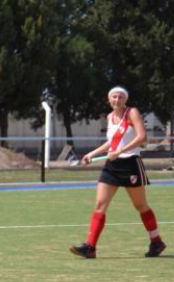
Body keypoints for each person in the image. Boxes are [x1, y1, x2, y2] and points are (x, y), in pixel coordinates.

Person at [70, 86, 166, 259]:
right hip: (112, 165)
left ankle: (156, 241)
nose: (117, 99)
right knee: (100, 204)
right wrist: (92, 154)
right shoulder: (109, 117)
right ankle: (90, 247)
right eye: (114, 97)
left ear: (125, 99)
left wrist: (120, 151)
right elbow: (111, 142)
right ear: (109, 100)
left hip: (131, 164)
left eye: (120, 97)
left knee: (140, 206)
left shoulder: (132, 113)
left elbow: (142, 137)